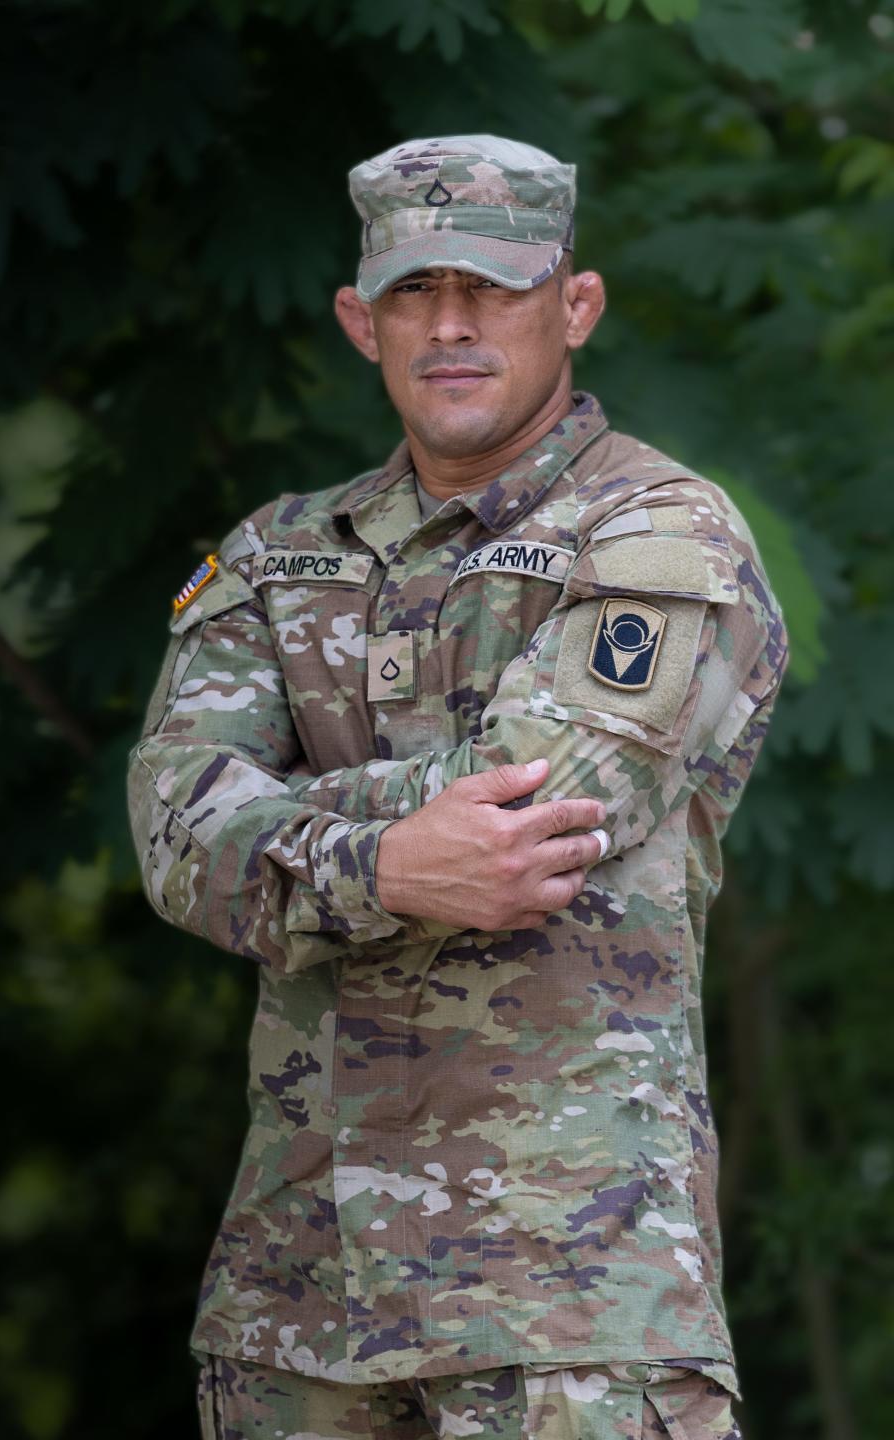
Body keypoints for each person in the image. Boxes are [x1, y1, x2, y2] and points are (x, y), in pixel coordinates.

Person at [128, 135, 786, 1440]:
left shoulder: (660, 531)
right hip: (296, 1303)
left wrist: (281, 820)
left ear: (574, 304)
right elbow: (165, 826)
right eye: (418, 291)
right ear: (359, 319)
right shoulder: (274, 556)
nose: (451, 325)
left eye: (491, 288)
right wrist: (383, 860)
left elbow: (540, 810)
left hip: (570, 1308)